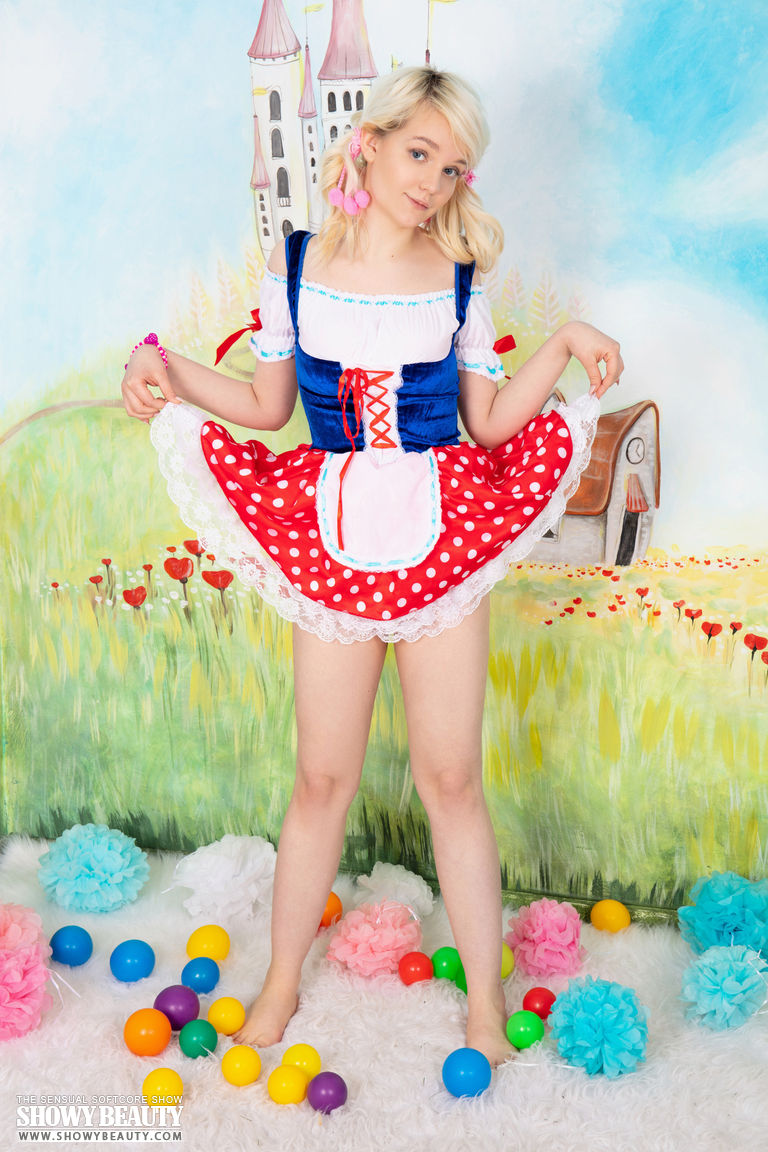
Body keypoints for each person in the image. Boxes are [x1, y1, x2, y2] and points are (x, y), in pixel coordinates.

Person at [121, 65, 622, 1067]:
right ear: (372, 142)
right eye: (419, 153)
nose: (433, 181)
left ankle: (485, 1005)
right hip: (332, 536)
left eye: (454, 167)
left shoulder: (459, 277)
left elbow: (489, 424)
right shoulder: (296, 264)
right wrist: (160, 364)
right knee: (321, 777)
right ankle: (278, 982)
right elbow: (267, 408)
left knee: (451, 776)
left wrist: (564, 340)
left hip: (443, 535)